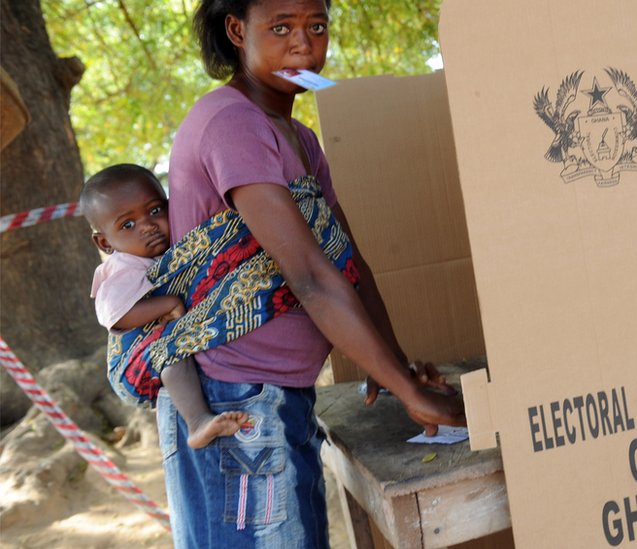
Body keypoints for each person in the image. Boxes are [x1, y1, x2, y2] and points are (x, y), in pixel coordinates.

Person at [158, 0, 466, 545]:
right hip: (236, 406)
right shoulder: (232, 124)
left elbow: (348, 265)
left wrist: (394, 370)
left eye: (316, 27)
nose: (304, 46)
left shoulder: (299, 137)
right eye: (281, 28)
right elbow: (309, 277)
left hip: (278, 396)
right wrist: (409, 392)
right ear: (236, 30)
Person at [80, 164, 249, 449]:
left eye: (155, 211)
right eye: (128, 225)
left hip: (154, 356)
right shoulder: (122, 267)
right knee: (173, 354)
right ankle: (197, 423)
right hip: (130, 367)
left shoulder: (163, 254)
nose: (147, 225)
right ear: (104, 242)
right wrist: (168, 303)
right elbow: (117, 316)